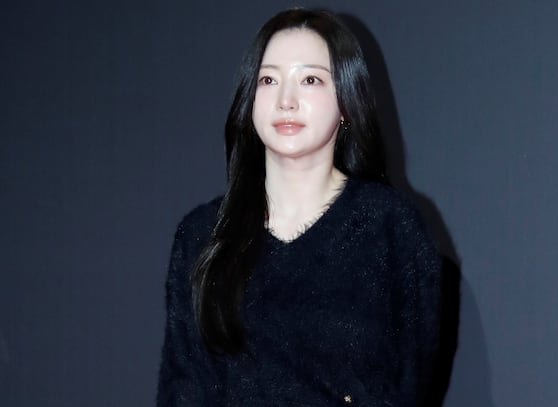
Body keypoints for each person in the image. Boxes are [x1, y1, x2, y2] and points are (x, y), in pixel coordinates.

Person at [157, 8, 442, 406]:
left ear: (346, 100)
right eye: (268, 80)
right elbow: (183, 388)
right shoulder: (202, 235)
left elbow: (411, 381)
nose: (285, 101)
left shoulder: (390, 227)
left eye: (310, 80)